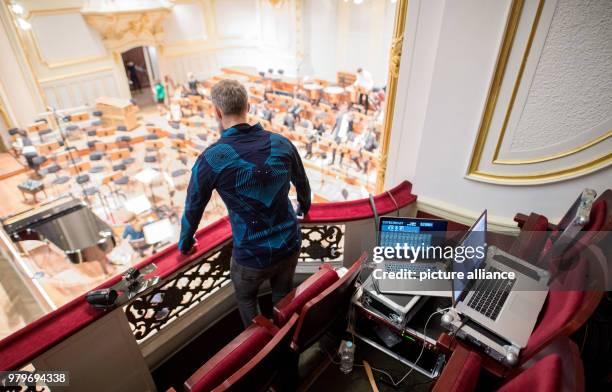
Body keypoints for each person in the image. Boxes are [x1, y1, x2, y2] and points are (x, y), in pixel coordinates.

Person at [178, 79, 311, 328]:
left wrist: (185, 243)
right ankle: (285, 338)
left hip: (251, 254)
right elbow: (303, 185)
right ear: (248, 106)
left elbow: (193, 207)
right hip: (288, 242)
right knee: (283, 297)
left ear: (217, 112)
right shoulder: (282, 143)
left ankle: (261, 349)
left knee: (247, 300)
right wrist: (304, 207)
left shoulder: (211, 158)